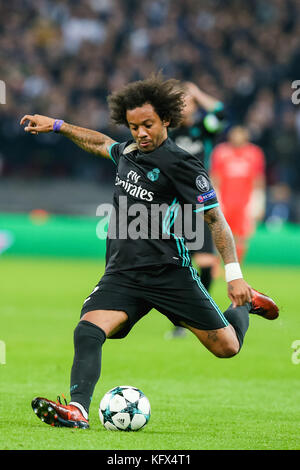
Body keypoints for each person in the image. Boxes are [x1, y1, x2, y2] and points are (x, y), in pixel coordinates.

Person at [20, 74, 278, 429]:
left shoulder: (183, 164)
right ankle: (78, 410)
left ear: (166, 121)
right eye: (133, 126)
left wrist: (235, 277)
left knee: (227, 348)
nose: (140, 133)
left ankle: (244, 304)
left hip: (167, 271)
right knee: (87, 330)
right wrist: (59, 126)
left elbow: (216, 221)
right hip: (123, 273)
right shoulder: (128, 151)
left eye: (147, 125)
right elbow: (100, 143)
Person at [168, 82, 227, 338]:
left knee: (204, 262)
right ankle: (179, 321)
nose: (185, 108)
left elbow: (221, 113)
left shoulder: (203, 130)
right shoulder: (166, 132)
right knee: (174, 264)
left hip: (199, 203)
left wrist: (197, 93)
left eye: (188, 103)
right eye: (180, 104)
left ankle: (199, 315)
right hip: (171, 205)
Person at [210, 126, 266, 264]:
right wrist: (215, 198)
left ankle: (237, 265)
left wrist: (258, 201)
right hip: (225, 200)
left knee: (242, 236)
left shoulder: (255, 153)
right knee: (219, 232)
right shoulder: (221, 152)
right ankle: (215, 265)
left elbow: (258, 179)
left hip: (244, 203)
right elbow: (215, 176)